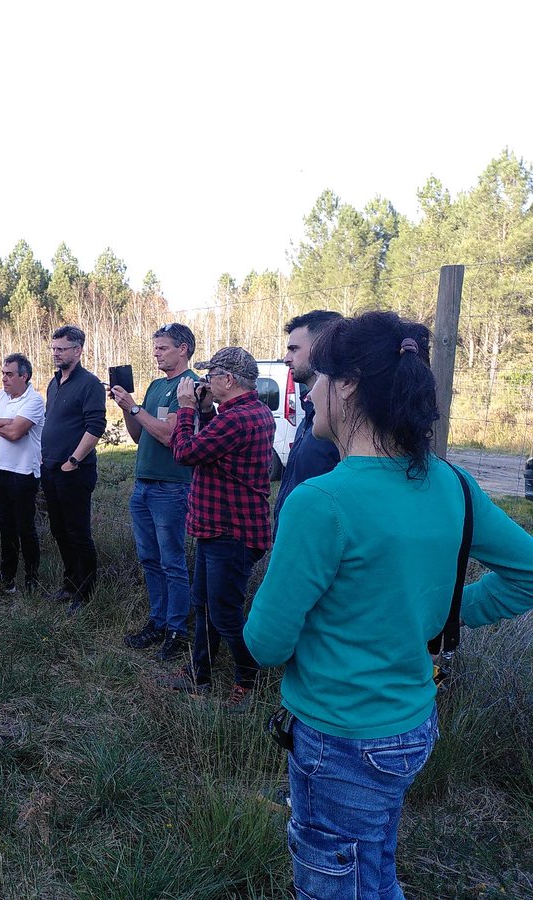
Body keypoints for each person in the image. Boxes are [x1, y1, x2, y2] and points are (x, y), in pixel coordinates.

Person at [244, 311, 533, 899]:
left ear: (346, 384)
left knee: (334, 879)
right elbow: (526, 571)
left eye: (316, 378)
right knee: (372, 864)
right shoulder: (453, 485)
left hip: (337, 738)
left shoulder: (320, 501)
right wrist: (439, 615)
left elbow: (264, 643)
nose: (307, 391)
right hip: (410, 727)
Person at [167, 347, 273, 708]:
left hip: (231, 533)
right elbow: (218, 442)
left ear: (227, 380)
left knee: (224, 612)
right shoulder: (248, 412)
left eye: (211, 376)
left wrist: (184, 408)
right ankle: (201, 671)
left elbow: (185, 452)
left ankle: (247, 679)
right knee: (205, 604)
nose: (206, 382)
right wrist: (206, 408)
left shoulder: (238, 419)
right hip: (222, 530)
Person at [111, 323, 199, 661]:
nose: (156, 353)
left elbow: (168, 436)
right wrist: (125, 407)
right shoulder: (155, 386)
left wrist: (135, 407)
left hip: (172, 486)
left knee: (172, 561)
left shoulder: (188, 387)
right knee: (149, 558)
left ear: (183, 349)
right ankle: (159, 621)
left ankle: (177, 629)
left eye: (163, 347)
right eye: (155, 347)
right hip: (144, 483)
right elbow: (139, 435)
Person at [41, 325, 107, 611]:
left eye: (61, 349)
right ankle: (70, 585)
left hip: (74, 471)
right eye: (53, 349)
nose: (56, 354)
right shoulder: (54, 382)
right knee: (59, 529)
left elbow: (96, 426)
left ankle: (85, 592)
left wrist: (74, 460)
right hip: (51, 469)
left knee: (78, 532)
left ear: (78, 350)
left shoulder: (89, 384)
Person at [0, 353, 46, 594]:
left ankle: (31, 578)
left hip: (23, 473)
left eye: (9, 374)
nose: (4, 379)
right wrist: (7, 421)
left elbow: (16, 433)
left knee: (25, 527)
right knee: (5, 525)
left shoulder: (34, 400)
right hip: (0, 470)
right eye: (2, 374)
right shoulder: (1, 395)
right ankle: (7, 577)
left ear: (23, 376)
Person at [273, 310, 343, 532]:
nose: (286, 358)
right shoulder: (312, 411)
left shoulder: (342, 419)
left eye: (294, 349)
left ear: (322, 348)